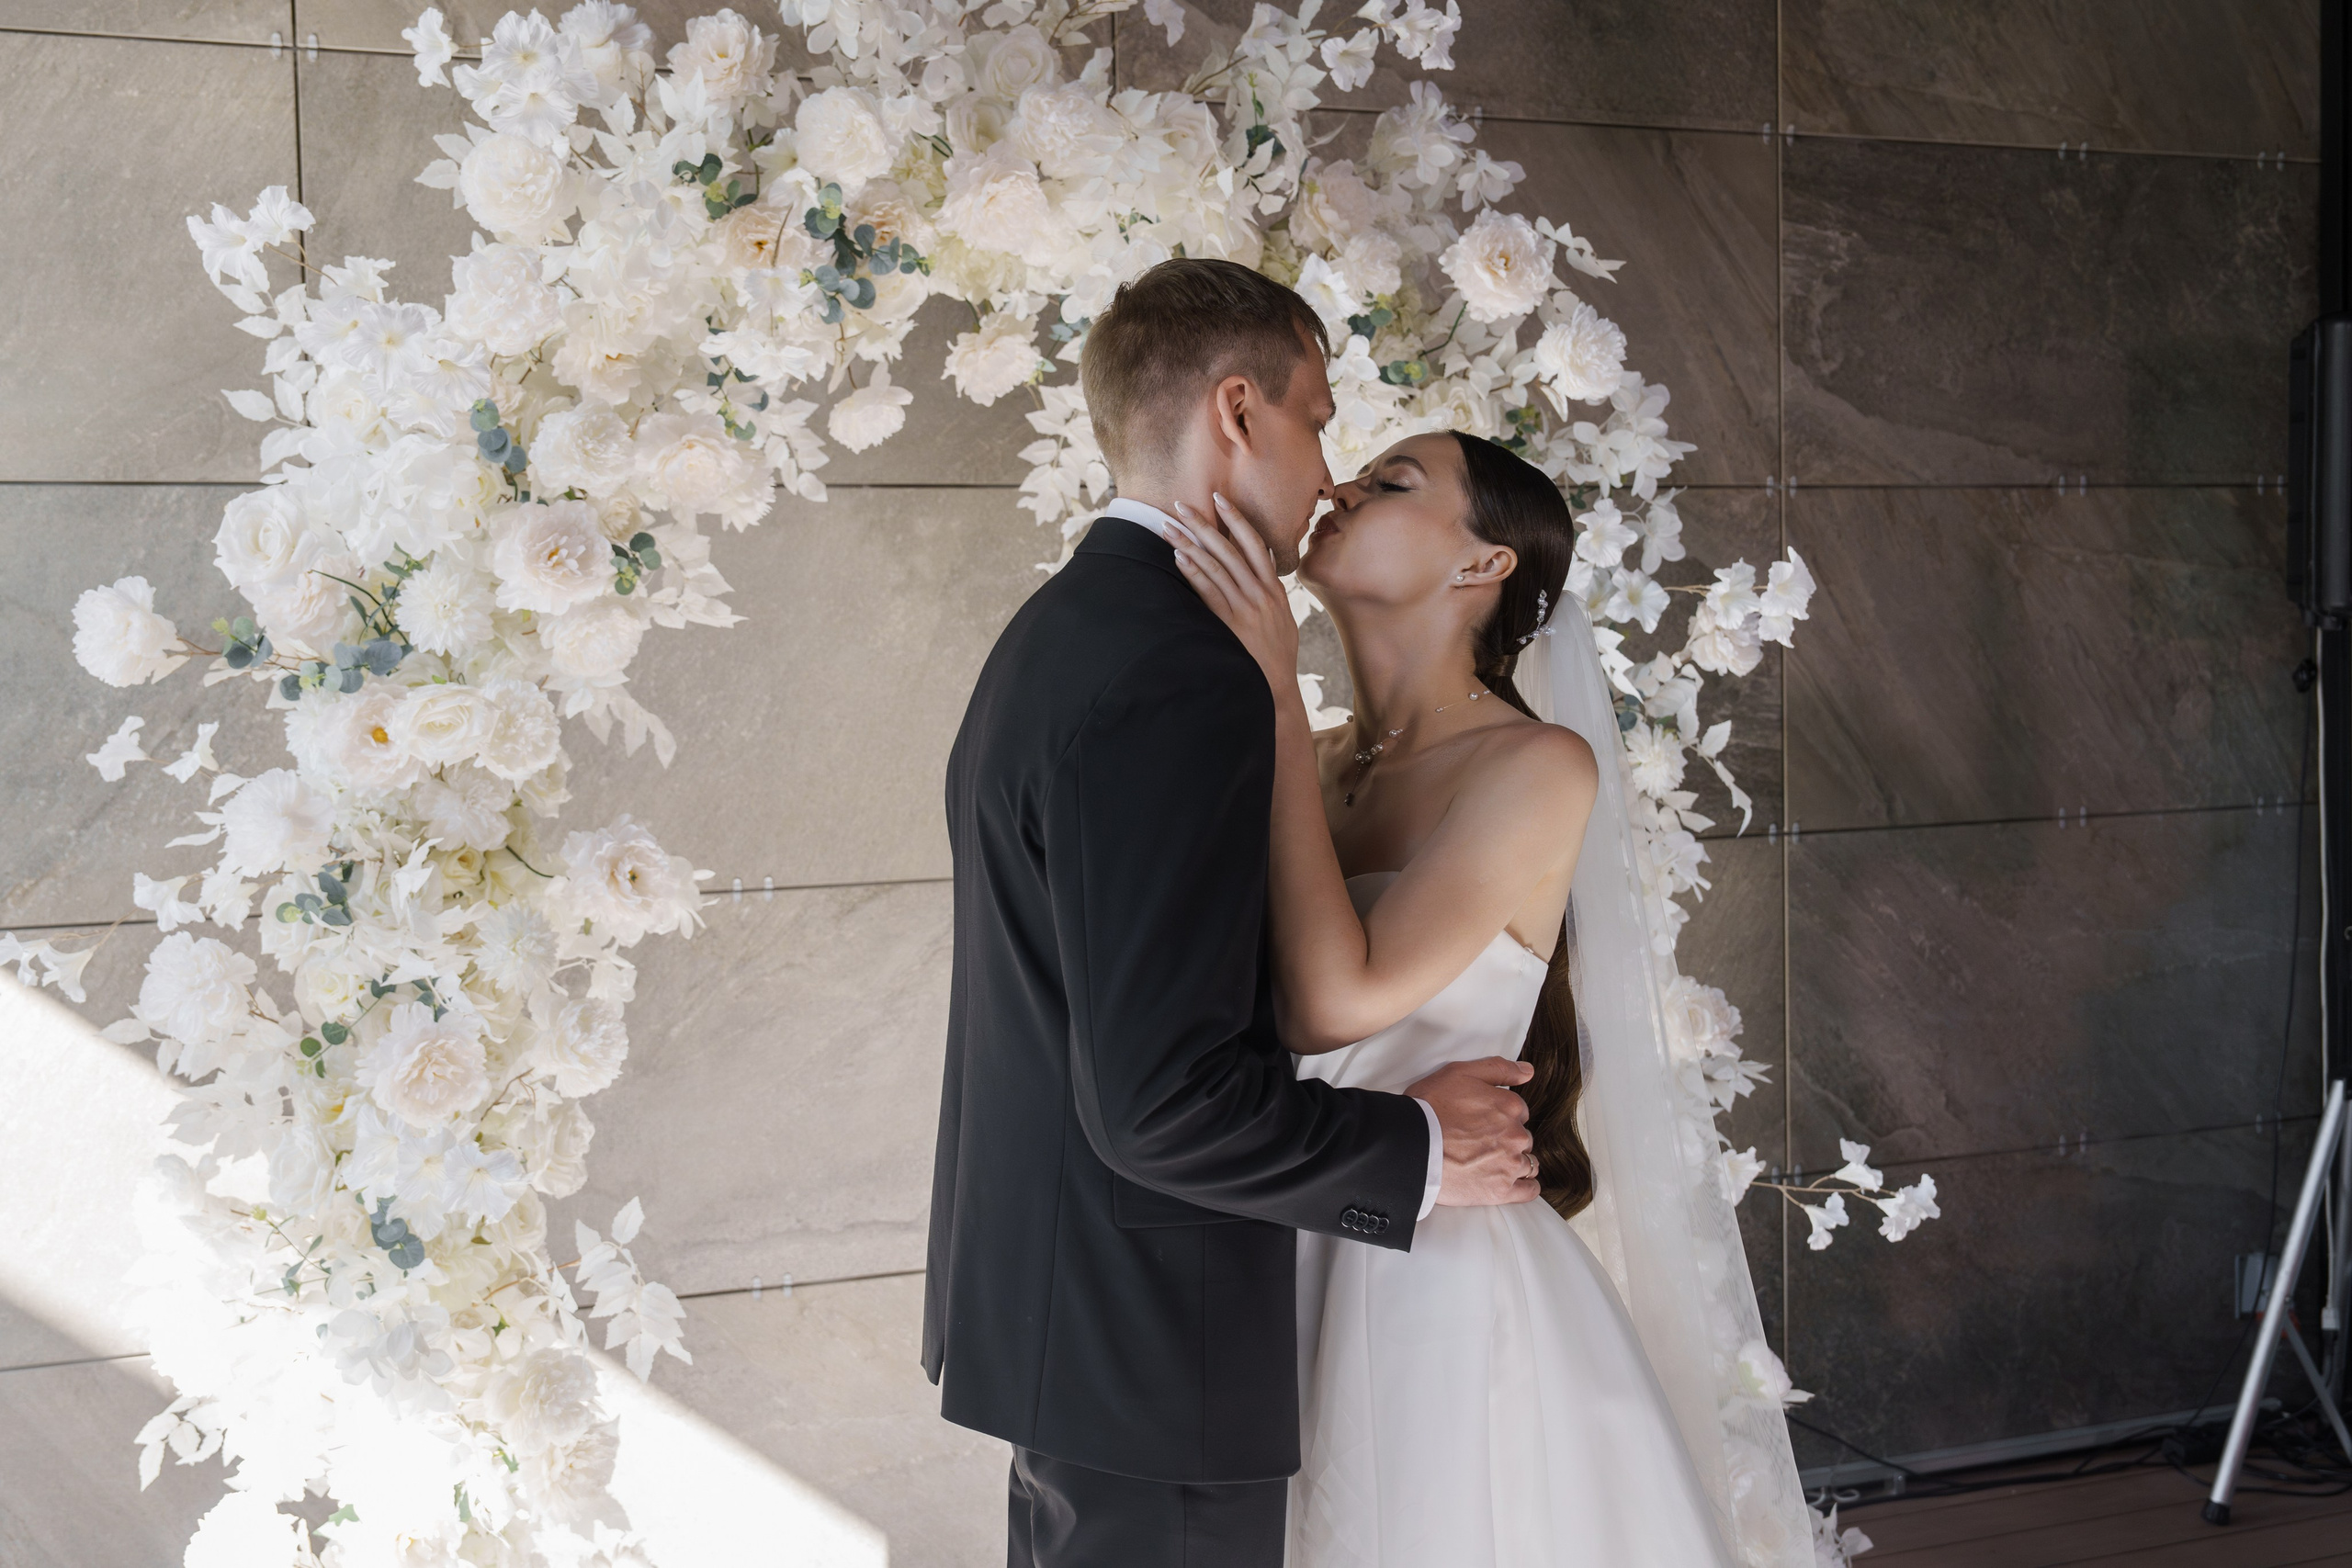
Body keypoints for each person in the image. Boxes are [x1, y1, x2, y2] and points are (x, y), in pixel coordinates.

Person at [923, 257, 1544, 1568]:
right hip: (1156, 1334)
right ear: (1238, 410)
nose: (1328, 471)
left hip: (1081, 1312)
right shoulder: (1180, 675)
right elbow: (1162, 1097)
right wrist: (1422, 1151)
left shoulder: (1067, 627)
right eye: (1320, 420)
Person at [1170, 430, 1817, 1565]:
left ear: (1484, 566)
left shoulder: (1534, 766)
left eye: (1393, 482)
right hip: (1270, 1233)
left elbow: (1333, 1002)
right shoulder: (1310, 758)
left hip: (1430, 1279)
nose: (1340, 487)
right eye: (1357, 471)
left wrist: (1271, 688)